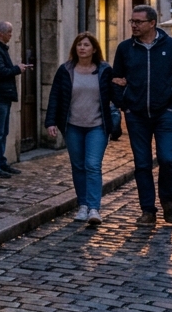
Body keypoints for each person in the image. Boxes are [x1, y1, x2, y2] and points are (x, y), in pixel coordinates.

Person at [111, 5, 172, 225]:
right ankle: (148, 210)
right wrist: (123, 104)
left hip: (165, 113)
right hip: (136, 115)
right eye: (132, 21)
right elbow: (116, 78)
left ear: (152, 23)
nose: (134, 25)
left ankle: (167, 200)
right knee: (142, 164)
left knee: (168, 159)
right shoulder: (125, 48)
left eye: (138, 22)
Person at [45, 32, 122, 226]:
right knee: (78, 166)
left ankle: (94, 208)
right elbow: (55, 96)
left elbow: (116, 96)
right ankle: (83, 206)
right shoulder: (66, 70)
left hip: (98, 125)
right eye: (79, 45)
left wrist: (124, 86)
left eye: (86, 45)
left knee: (92, 165)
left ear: (94, 49)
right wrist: (50, 122)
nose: (82, 48)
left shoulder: (104, 70)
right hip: (73, 126)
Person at [0, 21, 32, 178]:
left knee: (2, 131)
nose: (11, 35)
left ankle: (0, 162)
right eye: (9, 32)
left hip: (1, 95)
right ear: (1, 33)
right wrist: (17, 69)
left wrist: (16, 68)